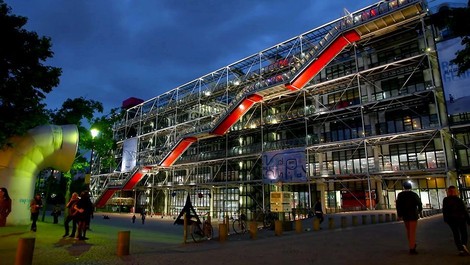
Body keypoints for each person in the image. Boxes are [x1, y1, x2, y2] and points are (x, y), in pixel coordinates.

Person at [443, 185, 470, 256]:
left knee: (456, 234)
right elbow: (464, 210)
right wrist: (468, 220)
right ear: (455, 192)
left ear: (448, 192)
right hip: (461, 219)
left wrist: (446, 219)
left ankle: (460, 250)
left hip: (451, 220)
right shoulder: (459, 200)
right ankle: (463, 244)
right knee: (463, 232)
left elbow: (445, 210)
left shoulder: (445, 200)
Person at [396, 182, 422, 254]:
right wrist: (419, 211)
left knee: (408, 231)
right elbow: (419, 203)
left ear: (403, 187)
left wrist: (399, 214)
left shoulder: (400, 195)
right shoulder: (414, 194)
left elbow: (398, 206)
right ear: (410, 187)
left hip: (405, 215)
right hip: (413, 215)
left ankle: (411, 244)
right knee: (412, 232)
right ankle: (412, 248)